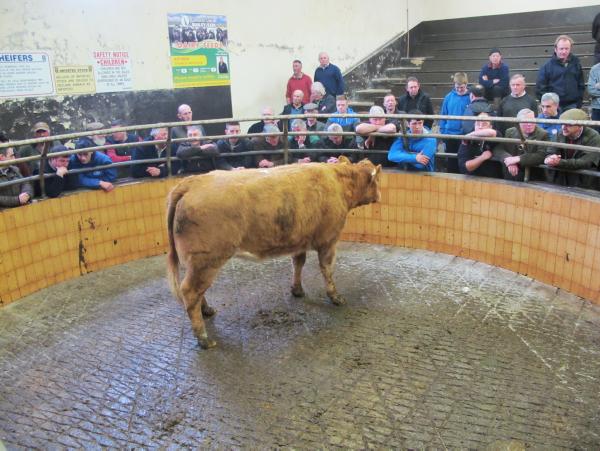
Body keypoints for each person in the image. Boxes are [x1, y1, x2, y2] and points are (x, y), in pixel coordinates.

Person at [544, 108, 600, 188]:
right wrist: (551, 158)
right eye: (562, 124)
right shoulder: (560, 134)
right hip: (562, 180)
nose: (563, 127)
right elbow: (550, 151)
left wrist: (560, 162)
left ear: (580, 126)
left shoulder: (593, 137)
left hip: (583, 182)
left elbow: (586, 162)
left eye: (569, 125)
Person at [493, 109, 550, 181]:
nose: (529, 124)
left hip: (533, 177)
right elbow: (498, 148)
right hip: (511, 175)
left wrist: (518, 159)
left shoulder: (543, 134)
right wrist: (508, 159)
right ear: (518, 122)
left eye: (532, 120)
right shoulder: (509, 132)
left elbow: (541, 155)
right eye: (525, 122)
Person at [536, 35, 584, 111]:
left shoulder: (576, 64)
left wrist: (578, 103)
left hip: (572, 105)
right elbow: (540, 88)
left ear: (570, 49)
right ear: (555, 49)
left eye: (566, 49)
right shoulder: (546, 67)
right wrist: (549, 105)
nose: (564, 51)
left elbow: (581, 85)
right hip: (554, 107)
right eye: (561, 49)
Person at [439, 72, 471, 172]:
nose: (459, 89)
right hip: (450, 135)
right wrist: (443, 132)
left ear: (466, 84)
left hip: (464, 136)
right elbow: (443, 115)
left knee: (463, 163)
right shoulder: (448, 97)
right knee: (451, 162)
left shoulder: (471, 97)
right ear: (454, 84)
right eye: (457, 87)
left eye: (462, 87)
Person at [457, 112, 502, 178]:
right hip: (473, 179)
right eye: (478, 124)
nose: (480, 127)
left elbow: (491, 132)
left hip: (493, 179)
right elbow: (464, 167)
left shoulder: (495, 136)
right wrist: (482, 158)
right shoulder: (467, 142)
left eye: (484, 124)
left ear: (490, 127)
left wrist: (468, 136)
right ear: (474, 125)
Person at [587, 62, 600, 130]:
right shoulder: (595, 69)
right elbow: (591, 90)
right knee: (597, 134)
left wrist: (598, 86)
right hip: (597, 108)